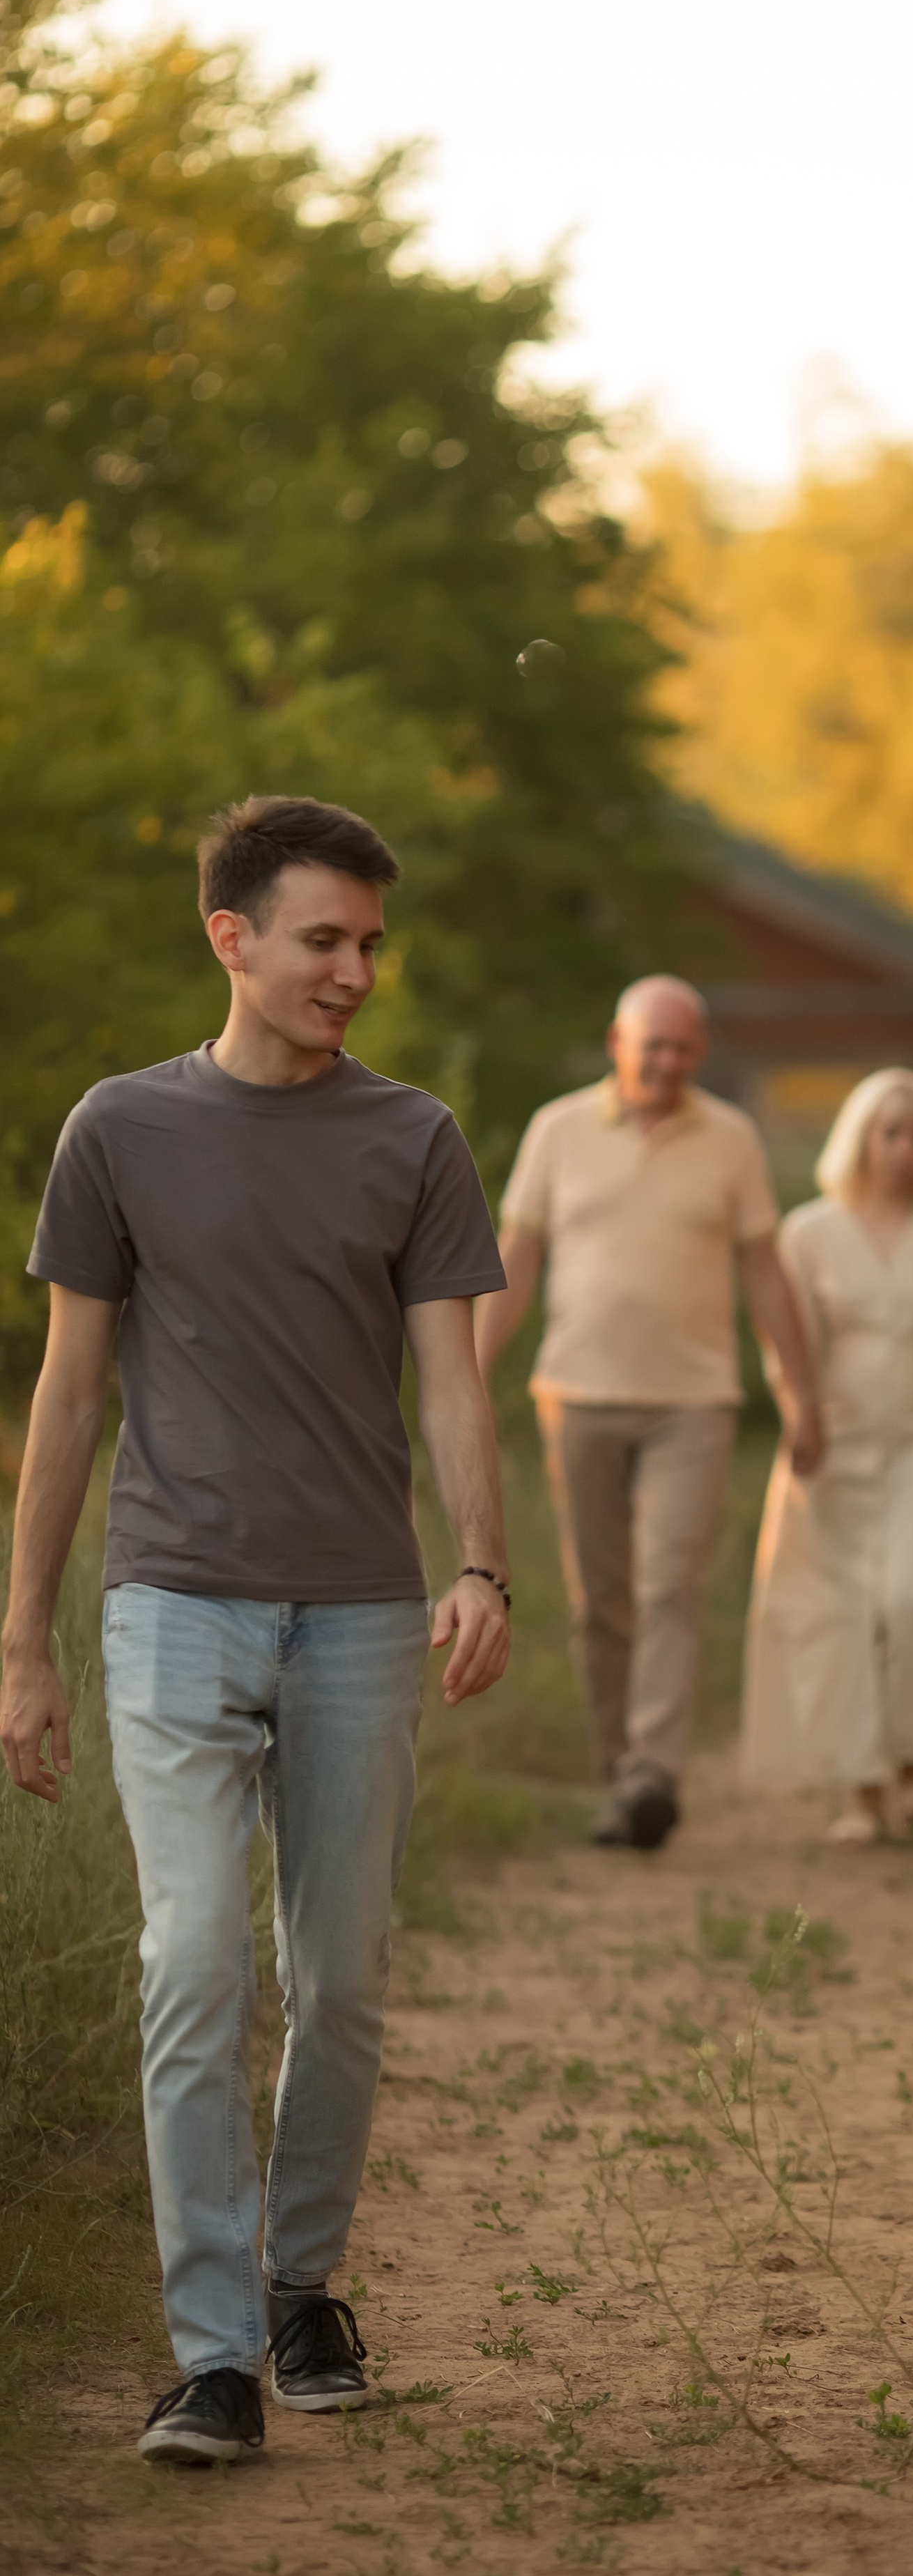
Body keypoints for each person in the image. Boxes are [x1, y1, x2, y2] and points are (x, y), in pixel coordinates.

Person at [0, 794, 512, 2468]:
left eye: (370, 941)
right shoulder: (119, 1130)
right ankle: (212, 2348)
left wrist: (483, 1563)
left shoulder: (413, 1137)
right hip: (171, 1601)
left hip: (361, 1608)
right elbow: (69, 1395)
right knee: (193, 1965)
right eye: (322, 938)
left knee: (340, 1977)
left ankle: (304, 2285)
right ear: (231, 936)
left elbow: (451, 1372)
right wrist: (26, 1641)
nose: (354, 968)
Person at [475, 976, 823, 1851]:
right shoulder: (558, 1130)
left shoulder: (731, 1139)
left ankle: (655, 1770)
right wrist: (468, 1370)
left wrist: (800, 1391)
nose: (665, 1064)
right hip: (579, 1394)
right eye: (651, 1047)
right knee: (604, 1600)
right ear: (617, 1042)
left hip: (693, 1402)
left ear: (698, 1053)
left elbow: (766, 1275)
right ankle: (618, 1774)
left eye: (681, 1049)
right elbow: (516, 1253)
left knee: (671, 1583)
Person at [739, 1068, 913, 1846]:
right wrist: (799, 1415)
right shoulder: (808, 1231)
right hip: (832, 1441)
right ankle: (862, 1786)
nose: (907, 1150)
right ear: (863, 1138)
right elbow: (786, 1343)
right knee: (843, 1613)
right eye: (892, 1133)